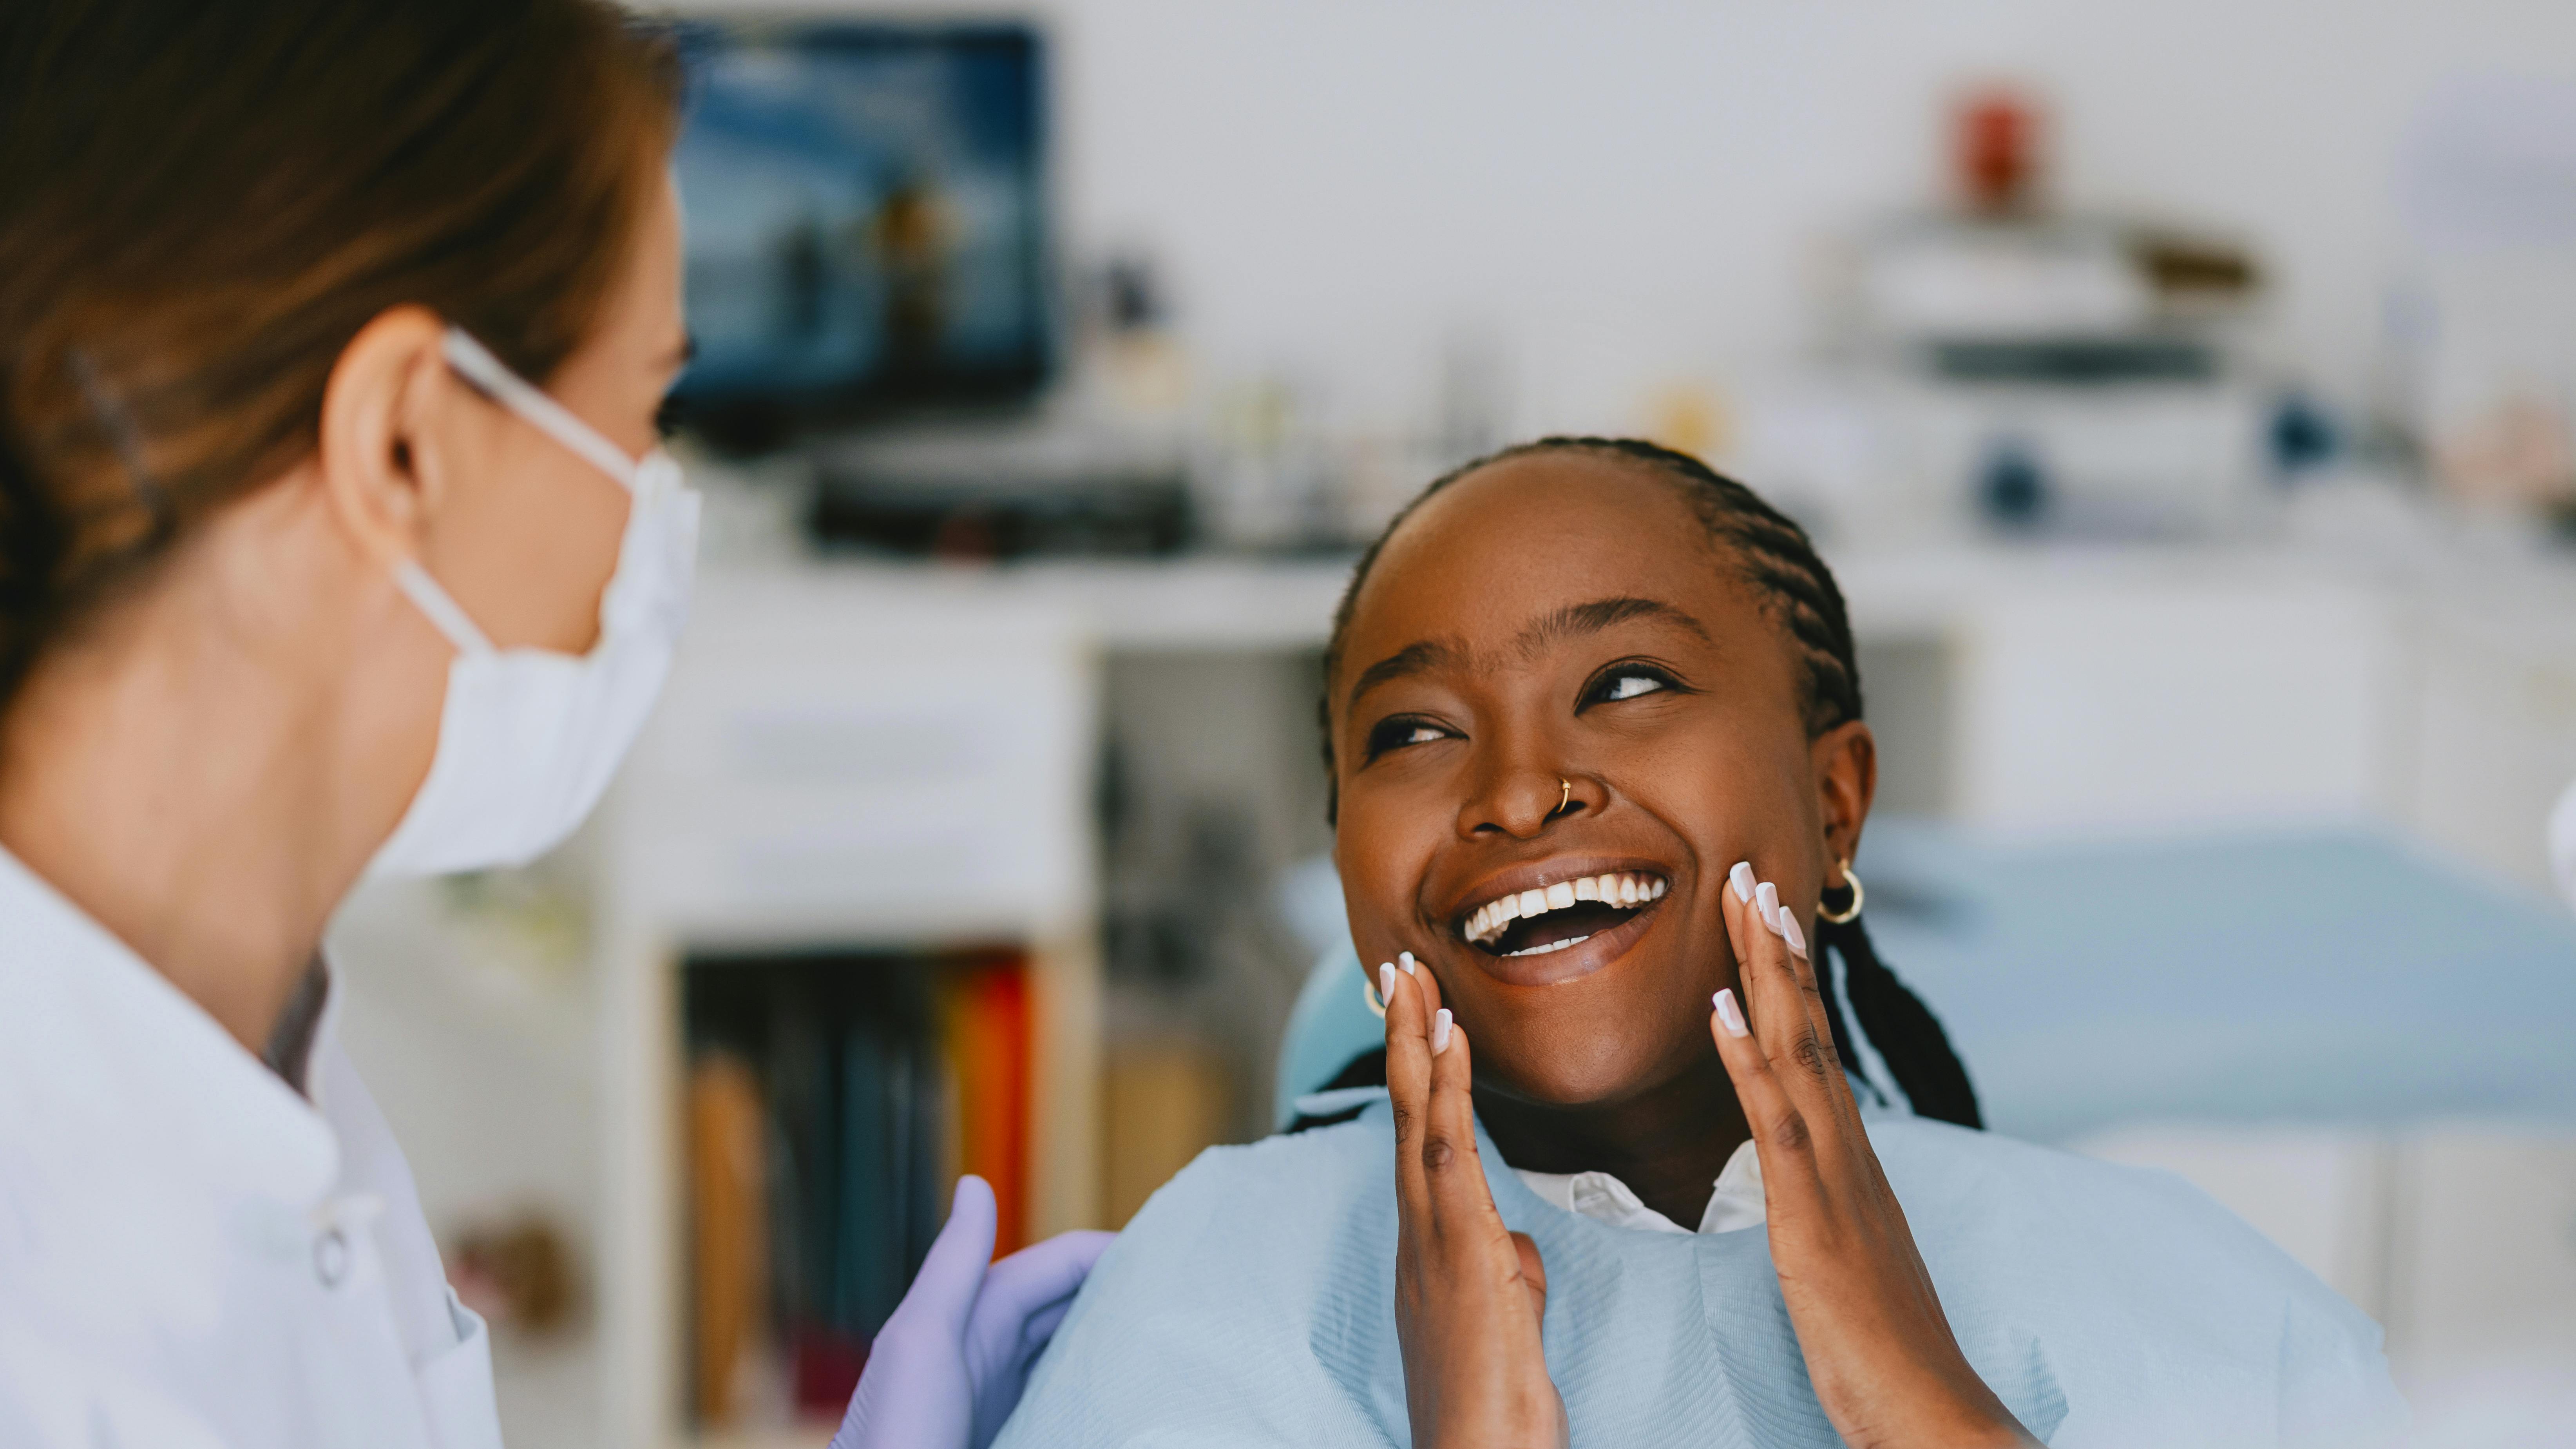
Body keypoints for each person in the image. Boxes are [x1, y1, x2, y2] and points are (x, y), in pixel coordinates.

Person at [0, 5, 1105, 1447]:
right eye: (650, 412)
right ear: (404, 441)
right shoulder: (57, 1323)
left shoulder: (254, 1054)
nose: (657, 513)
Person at [996, 438, 2408, 1448]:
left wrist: (1930, 1412)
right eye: (1415, 731)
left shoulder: (2206, 1317)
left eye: (1626, 682)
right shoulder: (1203, 1298)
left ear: (1836, 799)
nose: (1513, 790)